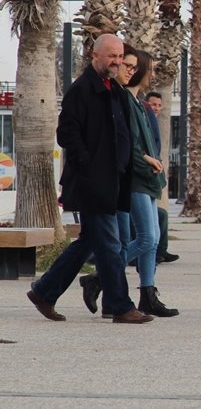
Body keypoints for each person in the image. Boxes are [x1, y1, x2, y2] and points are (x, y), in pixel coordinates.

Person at [27, 34, 152, 324]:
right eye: (112, 56)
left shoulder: (114, 91)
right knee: (109, 243)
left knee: (89, 242)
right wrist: (89, 166)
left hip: (112, 182)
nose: (117, 62)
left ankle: (44, 291)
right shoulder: (82, 91)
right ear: (95, 56)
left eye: (120, 57)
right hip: (92, 183)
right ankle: (120, 305)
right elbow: (67, 134)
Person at [81, 49, 178, 317]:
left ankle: (147, 293)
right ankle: (100, 278)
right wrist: (145, 159)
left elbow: (144, 142)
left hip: (147, 178)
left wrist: (153, 164)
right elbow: (129, 144)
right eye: (132, 66)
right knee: (146, 238)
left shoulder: (139, 103)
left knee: (152, 238)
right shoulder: (124, 99)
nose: (134, 71)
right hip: (134, 178)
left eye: (136, 67)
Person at [145, 91, 178, 264]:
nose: (156, 108)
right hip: (140, 181)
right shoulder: (144, 121)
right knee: (155, 219)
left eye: (159, 105)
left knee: (162, 214)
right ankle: (150, 254)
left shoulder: (153, 123)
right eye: (153, 104)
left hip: (151, 178)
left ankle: (160, 251)